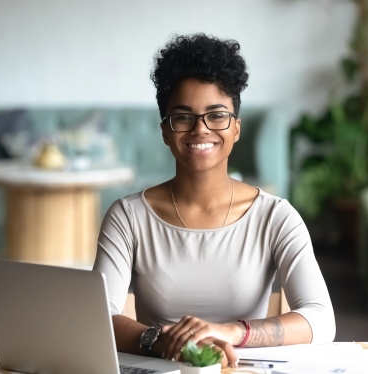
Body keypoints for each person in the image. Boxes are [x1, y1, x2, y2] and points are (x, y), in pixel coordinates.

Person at [93, 33, 335, 368]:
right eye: (183, 117)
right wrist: (160, 340)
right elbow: (98, 315)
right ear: (165, 130)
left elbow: (321, 318)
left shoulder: (275, 217)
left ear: (236, 127)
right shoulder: (128, 217)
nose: (200, 129)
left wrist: (230, 332)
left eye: (217, 115)